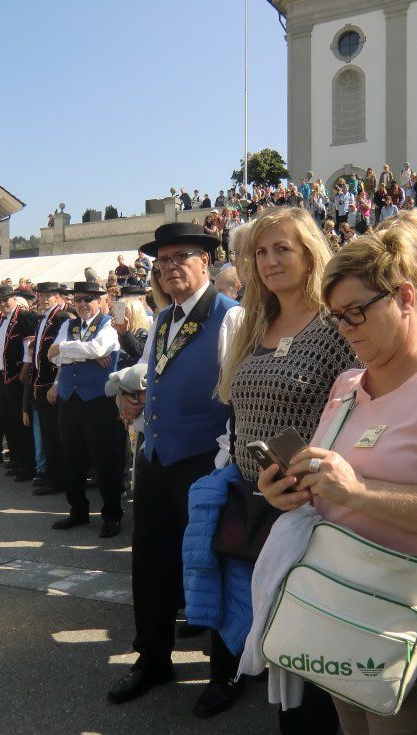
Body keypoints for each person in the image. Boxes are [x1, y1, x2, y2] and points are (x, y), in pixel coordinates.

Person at [257, 218, 417, 735]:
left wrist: (356, 490)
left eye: (358, 311)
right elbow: (331, 487)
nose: (347, 328)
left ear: (405, 297)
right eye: (338, 317)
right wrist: (290, 489)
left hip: (404, 619)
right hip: (334, 604)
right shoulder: (347, 384)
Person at [218, 206, 359, 735]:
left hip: (314, 505)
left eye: (283, 249)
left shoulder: (332, 327)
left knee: (309, 626)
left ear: (309, 254)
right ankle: (292, 734)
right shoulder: (256, 322)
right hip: (259, 498)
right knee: (274, 617)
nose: (271, 260)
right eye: (261, 251)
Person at [107, 222, 243, 707]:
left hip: (206, 462)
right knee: (151, 562)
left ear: (206, 261)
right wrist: (138, 406)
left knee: (214, 565)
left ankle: (225, 674)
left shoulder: (229, 317)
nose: (169, 269)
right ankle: (153, 659)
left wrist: (226, 469)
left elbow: (237, 401)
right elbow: (156, 376)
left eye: (180, 257)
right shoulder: (163, 320)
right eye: (161, 262)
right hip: (157, 458)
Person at [48, 281, 125, 536]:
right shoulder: (67, 325)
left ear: (100, 301)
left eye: (89, 299)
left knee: (105, 460)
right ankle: (77, 511)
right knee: (72, 458)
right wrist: (84, 354)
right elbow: (52, 355)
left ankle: (112, 515)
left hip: (99, 402)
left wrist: (67, 350)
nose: (83, 304)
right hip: (70, 400)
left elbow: (98, 348)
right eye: (79, 300)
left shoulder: (108, 326)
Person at [23, 282, 73, 497]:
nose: (44, 299)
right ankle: (51, 476)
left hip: (50, 383)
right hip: (40, 383)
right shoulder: (43, 318)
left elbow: (63, 354)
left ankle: (57, 479)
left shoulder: (62, 317)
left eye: (49, 295)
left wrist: (56, 384)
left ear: (59, 297)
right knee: (47, 433)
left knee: (53, 435)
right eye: (42, 295)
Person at [0, 285, 39, 481]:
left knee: (20, 424)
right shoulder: (2, 319)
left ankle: (27, 465)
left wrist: (24, 371)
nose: (2, 304)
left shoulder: (24, 317)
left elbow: (30, 347)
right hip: (2, 376)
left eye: (5, 300)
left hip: (16, 377)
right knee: (8, 422)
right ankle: (17, 460)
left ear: (14, 298)